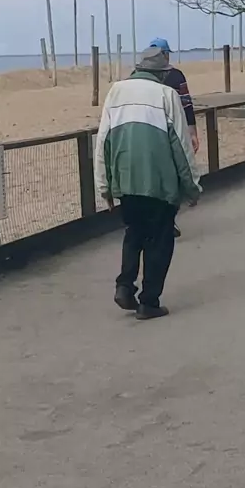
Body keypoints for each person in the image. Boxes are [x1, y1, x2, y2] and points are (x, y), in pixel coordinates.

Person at [94, 47, 202, 320]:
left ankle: (124, 286)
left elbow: (103, 142)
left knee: (134, 232)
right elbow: (181, 145)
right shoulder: (167, 94)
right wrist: (192, 187)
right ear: (163, 74)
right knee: (160, 240)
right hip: (160, 183)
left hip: (126, 180)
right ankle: (149, 302)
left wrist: (104, 187)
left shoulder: (115, 91)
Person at [148, 37, 199, 238]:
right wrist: (192, 132)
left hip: (149, 133)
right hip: (173, 133)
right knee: (174, 176)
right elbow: (187, 104)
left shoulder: (138, 77)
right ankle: (168, 219)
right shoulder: (176, 76)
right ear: (165, 54)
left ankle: (159, 220)